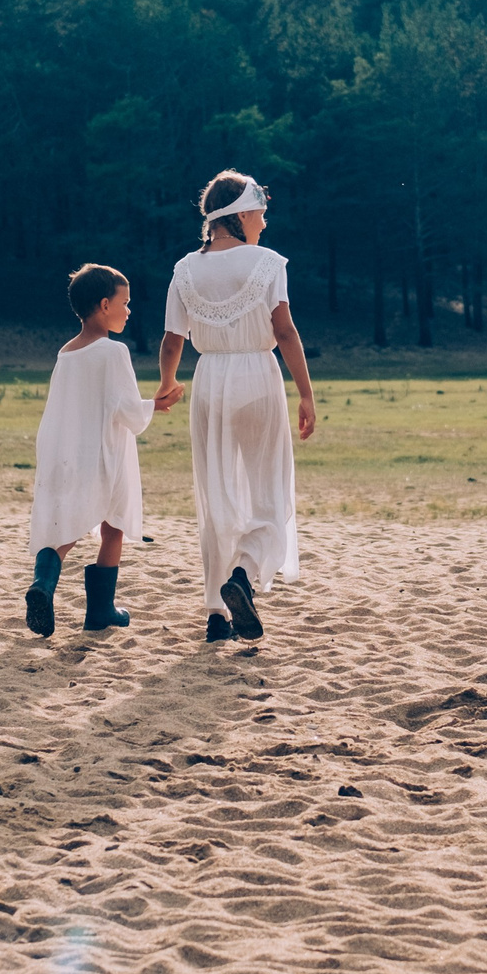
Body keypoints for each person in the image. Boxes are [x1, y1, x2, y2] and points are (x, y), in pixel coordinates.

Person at [156, 172, 317, 643]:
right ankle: (243, 575)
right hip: (257, 378)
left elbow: (171, 340)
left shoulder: (185, 268)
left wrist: (167, 385)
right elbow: (284, 331)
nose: (264, 224)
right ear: (242, 213)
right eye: (261, 214)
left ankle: (214, 614)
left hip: (209, 380)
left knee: (216, 496)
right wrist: (306, 393)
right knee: (268, 492)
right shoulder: (267, 263)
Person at [25, 263, 180, 637]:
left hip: (66, 450)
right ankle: (101, 611)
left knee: (66, 524)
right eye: (125, 303)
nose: (129, 311)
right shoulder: (113, 352)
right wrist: (156, 405)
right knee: (113, 527)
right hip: (106, 453)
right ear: (105, 304)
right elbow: (127, 412)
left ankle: (42, 586)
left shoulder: (66, 353)